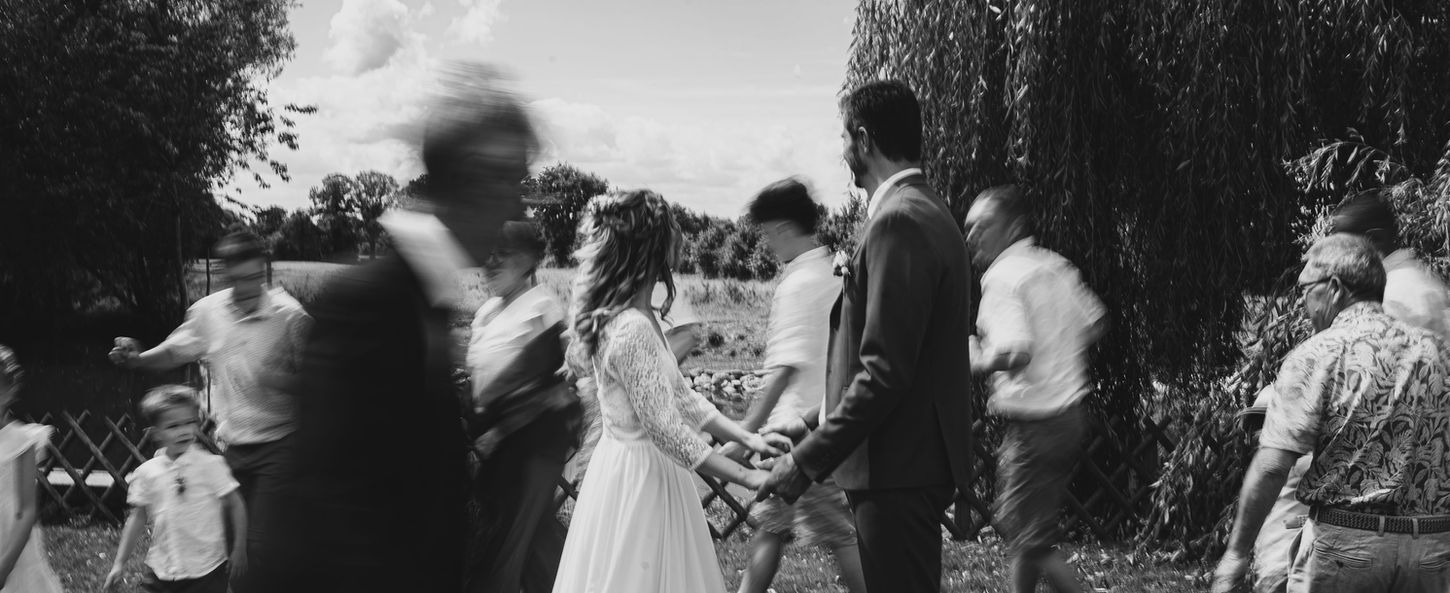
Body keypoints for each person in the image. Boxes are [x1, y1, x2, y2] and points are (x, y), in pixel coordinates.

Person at [262, 62, 532, 593]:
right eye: (502, 178)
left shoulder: (426, 300)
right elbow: (327, 508)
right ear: (458, 180)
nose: (516, 204)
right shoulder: (370, 303)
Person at [758, 80, 974, 593]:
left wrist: (805, 461)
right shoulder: (924, 209)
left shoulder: (899, 221)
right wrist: (809, 421)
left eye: (843, 137)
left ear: (864, 139)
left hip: (895, 466)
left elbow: (885, 371)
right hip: (907, 461)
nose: (842, 151)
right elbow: (901, 356)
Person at [551, 189, 789, 593]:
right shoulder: (632, 328)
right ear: (653, 248)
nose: (680, 238)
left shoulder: (640, 316)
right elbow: (666, 429)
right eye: (672, 230)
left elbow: (682, 397)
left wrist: (749, 439)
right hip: (639, 480)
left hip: (642, 468)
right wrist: (747, 477)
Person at [1212, 234, 1450, 593]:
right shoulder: (1439, 351)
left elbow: (1273, 467)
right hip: (1432, 552)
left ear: (1335, 288)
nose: (1302, 301)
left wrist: (1236, 554)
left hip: (1346, 550)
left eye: (1306, 289)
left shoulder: (1318, 354)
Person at [107, 229, 309, 593]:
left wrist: (276, 379)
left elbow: (320, 383)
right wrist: (138, 360)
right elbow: (174, 351)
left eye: (254, 277)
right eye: (238, 279)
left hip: (281, 442)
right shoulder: (208, 312)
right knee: (227, 538)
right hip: (232, 444)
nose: (247, 287)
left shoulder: (290, 316)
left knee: (260, 542)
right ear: (224, 274)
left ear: (265, 270)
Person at [724, 178, 865, 593]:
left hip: (798, 437)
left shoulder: (797, 285)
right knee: (770, 528)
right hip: (828, 421)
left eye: (767, 234)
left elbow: (783, 370)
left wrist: (745, 432)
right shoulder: (834, 273)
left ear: (784, 228)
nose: (767, 243)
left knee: (840, 535)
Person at [964, 184, 1106, 593]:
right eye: (969, 227)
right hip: (1069, 417)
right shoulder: (1055, 265)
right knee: (1029, 530)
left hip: (1036, 424)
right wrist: (1057, 354)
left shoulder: (1001, 277)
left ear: (1013, 227)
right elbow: (1095, 322)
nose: (972, 236)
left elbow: (1016, 352)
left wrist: (976, 358)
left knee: (1026, 533)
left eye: (983, 226)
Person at [464, 221, 578, 593]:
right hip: (494, 450)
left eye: (502, 255)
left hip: (532, 447)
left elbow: (555, 388)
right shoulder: (485, 313)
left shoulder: (541, 308)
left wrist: (499, 431)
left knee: (505, 548)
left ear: (527, 260)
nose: (490, 263)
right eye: (488, 254)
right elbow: (480, 382)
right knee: (533, 544)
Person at [104, 385, 247, 593]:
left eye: (190, 422)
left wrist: (239, 548)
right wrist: (119, 563)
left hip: (207, 569)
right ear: (156, 433)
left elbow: (236, 504)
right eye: (173, 426)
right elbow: (137, 518)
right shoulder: (147, 472)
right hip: (163, 569)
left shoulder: (211, 465)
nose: (184, 431)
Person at [1328, 190, 1450, 339]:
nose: (1341, 255)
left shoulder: (1392, 294)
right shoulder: (1418, 279)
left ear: (1373, 239)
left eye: (1346, 245)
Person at [0, 346, 63, 593]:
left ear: (9, 391)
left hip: (10, 539)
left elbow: (26, 510)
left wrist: (5, 566)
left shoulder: (21, 441)